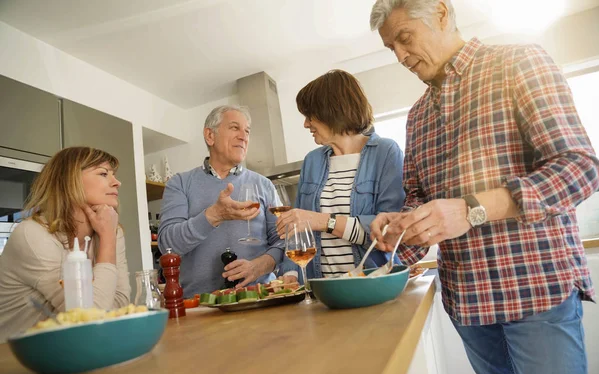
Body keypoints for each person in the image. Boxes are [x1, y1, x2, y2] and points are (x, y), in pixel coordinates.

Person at [369, 1, 599, 374]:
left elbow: (580, 168)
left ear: (441, 14)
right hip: (467, 303)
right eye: (391, 48)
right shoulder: (417, 116)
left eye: (404, 38)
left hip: (535, 293)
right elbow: (420, 200)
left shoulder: (518, 62)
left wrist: (471, 209)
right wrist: (401, 229)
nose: (401, 56)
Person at [276, 69, 405, 281]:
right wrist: (290, 272)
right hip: (323, 290)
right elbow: (297, 232)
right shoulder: (312, 161)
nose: (306, 124)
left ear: (331, 110)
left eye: (310, 115)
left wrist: (324, 221)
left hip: (373, 284)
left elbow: (389, 231)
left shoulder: (385, 152)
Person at [0, 147, 131, 342]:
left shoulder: (110, 230)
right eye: (104, 174)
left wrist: (107, 236)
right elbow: (90, 318)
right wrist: (108, 239)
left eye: (114, 175)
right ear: (70, 181)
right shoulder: (32, 235)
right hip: (14, 360)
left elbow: (120, 302)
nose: (117, 182)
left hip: (73, 347)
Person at [158, 105, 284, 297]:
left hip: (260, 297)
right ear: (210, 135)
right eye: (235, 128)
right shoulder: (180, 183)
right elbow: (168, 246)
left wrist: (259, 266)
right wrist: (213, 215)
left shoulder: (265, 185)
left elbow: (283, 241)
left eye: (247, 131)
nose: (244, 136)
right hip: (200, 305)